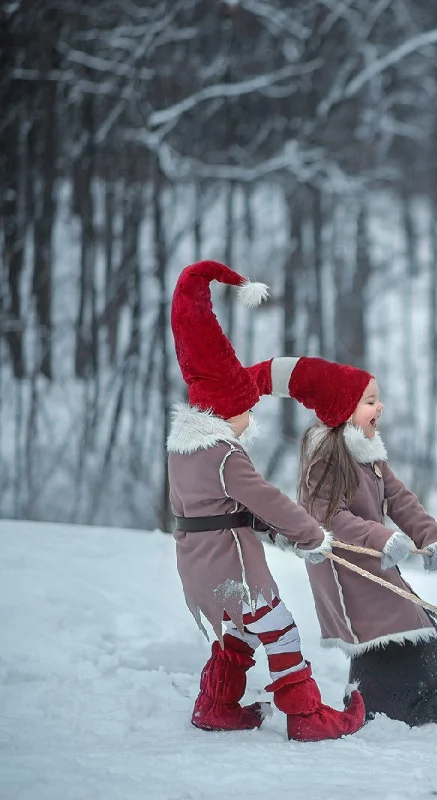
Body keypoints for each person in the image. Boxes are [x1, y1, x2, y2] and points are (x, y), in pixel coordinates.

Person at [249, 355, 437, 732]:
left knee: (405, 622)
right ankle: (387, 701)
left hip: (376, 564)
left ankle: (389, 696)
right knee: (387, 627)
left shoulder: (370, 455)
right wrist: (383, 537)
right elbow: (328, 519)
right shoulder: (326, 460)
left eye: (377, 399)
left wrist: (430, 538)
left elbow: (401, 499)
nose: (379, 407)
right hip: (345, 571)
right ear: (344, 410)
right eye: (370, 400)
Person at [166, 261, 365, 742]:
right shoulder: (225, 453)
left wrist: (273, 529)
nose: (248, 417)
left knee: (238, 632)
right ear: (227, 410)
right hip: (230, 566)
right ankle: (307, 716)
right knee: (279, 628)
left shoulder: (183, 450)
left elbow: (223, 506)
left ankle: (216, 705)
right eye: (244, 410)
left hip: (197, 568)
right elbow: (266, 498)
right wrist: (311, 535)